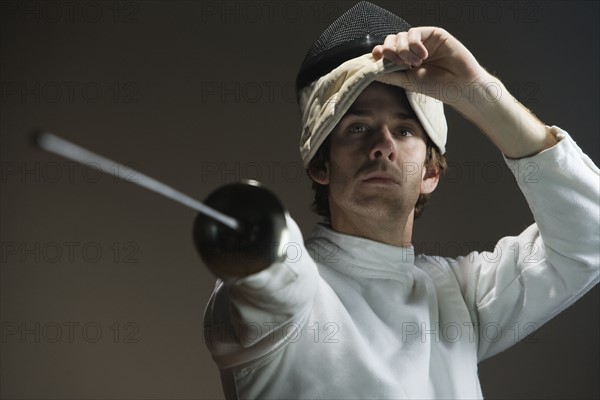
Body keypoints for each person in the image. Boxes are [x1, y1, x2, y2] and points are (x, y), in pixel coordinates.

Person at [201, 2, 599, 399]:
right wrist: (258, 232)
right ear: (320, 165)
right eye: (357, 127)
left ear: (430, 172)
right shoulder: (288, 298)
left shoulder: (457, 297)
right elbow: (273, 281)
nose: (382, 146)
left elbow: (590, 235)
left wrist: (477, 92)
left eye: (405, 130)